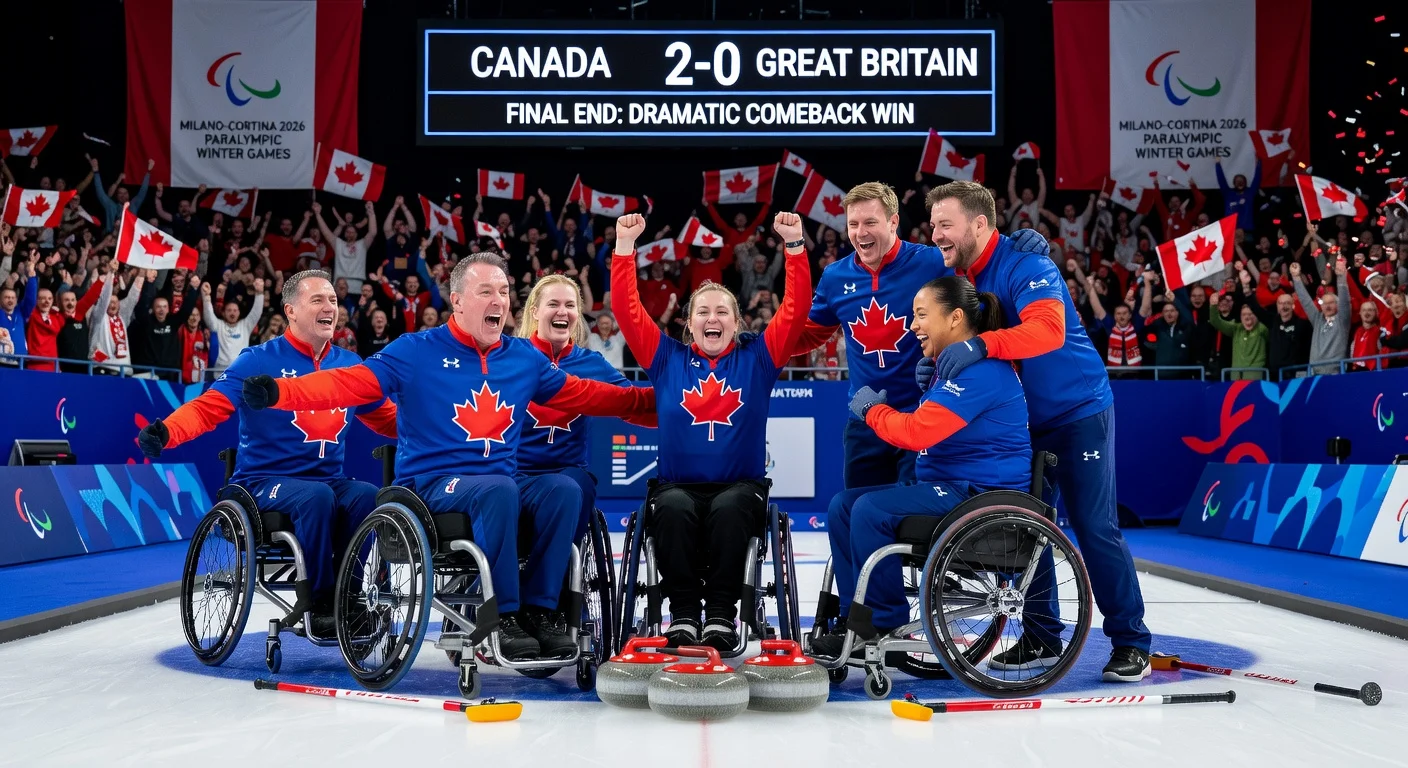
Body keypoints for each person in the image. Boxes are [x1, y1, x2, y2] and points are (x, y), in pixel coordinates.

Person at [239, 253, 656, 661]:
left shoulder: (522, 358)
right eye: (486, 291)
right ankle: (504, 615)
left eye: (505, 292)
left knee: (563, 490)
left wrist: (668, 405)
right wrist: (282, 392)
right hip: (432, 487)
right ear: (456, 301)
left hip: (501, 482)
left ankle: (540, 610)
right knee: (498, 489)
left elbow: (594, 395)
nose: (499, 301)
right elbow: (349, 384)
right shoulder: (414, 351)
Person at [925, 180, 1151, 682]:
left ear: (980, 224)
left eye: (945, 223)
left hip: (1078, 412)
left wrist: (982, 347)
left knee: (1094, 529)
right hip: (1026, 423)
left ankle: (1132, 641)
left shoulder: (1028, 264)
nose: (935, 233)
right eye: (933, 223)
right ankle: (1043, 635)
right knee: (1021, 530)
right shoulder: (963, 274)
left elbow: (1047, 333)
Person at [136, 270, 399, 635]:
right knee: (317, 497)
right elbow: (210, 406)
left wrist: (442, 431)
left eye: (334, 301)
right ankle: (319, 600)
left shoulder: (350, 367)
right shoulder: (258, 360)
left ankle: (348, 596)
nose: (329, 308)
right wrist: (168, 432)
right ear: (290, 311)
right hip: (262, 484)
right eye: (317, 301)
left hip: (326, 481)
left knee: (369, 497)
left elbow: (390, 420)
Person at [611, 210, 811, 653]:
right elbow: (628, 313)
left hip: (741, 488)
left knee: (732, 506)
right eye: (703, 311)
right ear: (689, 322)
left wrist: (794, 246)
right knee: (674, 507)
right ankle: (682, 614)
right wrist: (625, 251)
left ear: (737, 324)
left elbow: (795, 312)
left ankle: (722, 614)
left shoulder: (758, 358)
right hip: (676, 486)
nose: (712, 317)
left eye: (722, 311)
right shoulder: (667, 359)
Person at [810, 276, 1031, 659]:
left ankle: (881, 624)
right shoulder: (953, 370)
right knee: (842, 506)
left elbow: (916, 433)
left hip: (981, 497)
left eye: (921, 315)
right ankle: (854, 619)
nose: (912, 325)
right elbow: (929, 425)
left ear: (955, 317)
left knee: (870, 509)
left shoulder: (982, 372)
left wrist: (871, 410)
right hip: (955, 487)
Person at [790, 182, 1043, 488]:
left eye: (871, 222)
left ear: (893, 222)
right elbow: (806, 337)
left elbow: (983, 280)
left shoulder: (932, 262)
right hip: (864, 422)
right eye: (853, 224)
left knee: (910, 522)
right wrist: (761, 343)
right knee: (855, 512)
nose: (861, 233)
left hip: (921, 413)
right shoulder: (834, 277)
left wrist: (1016, 250)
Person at [516, 275, 654, 549]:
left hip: (568, 471)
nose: (562, 311)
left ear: (578, 315)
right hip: (514, 471)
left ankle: (561, 572)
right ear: (535, 311)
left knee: (577, 487)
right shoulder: (512, 356)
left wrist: (686, 407)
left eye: (570, 305)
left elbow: (633, 405)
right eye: (553, 303)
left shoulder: (593, 363)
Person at [1291, 258, 1350, 375]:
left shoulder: (1342, 320)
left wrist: (1341, 277)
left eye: (1331, 303)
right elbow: (1305, 301)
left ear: (1337, 305)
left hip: (1335, 374)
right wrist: (1296, 278)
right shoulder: (1317, 319)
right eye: (1324, 303)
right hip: (1314, 374)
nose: (1327, 306)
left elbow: (1344, 301)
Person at [202, 279, 265, 369]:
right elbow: (208, 317)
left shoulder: (245, 326)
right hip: (220, 372)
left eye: (235, 310)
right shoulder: (218, 325)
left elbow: (256, 312)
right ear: (223, 313)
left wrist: (259, 293)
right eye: (229, 310)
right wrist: (206, 297)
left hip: (240, 370)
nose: (232, 313)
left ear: (239, 313)